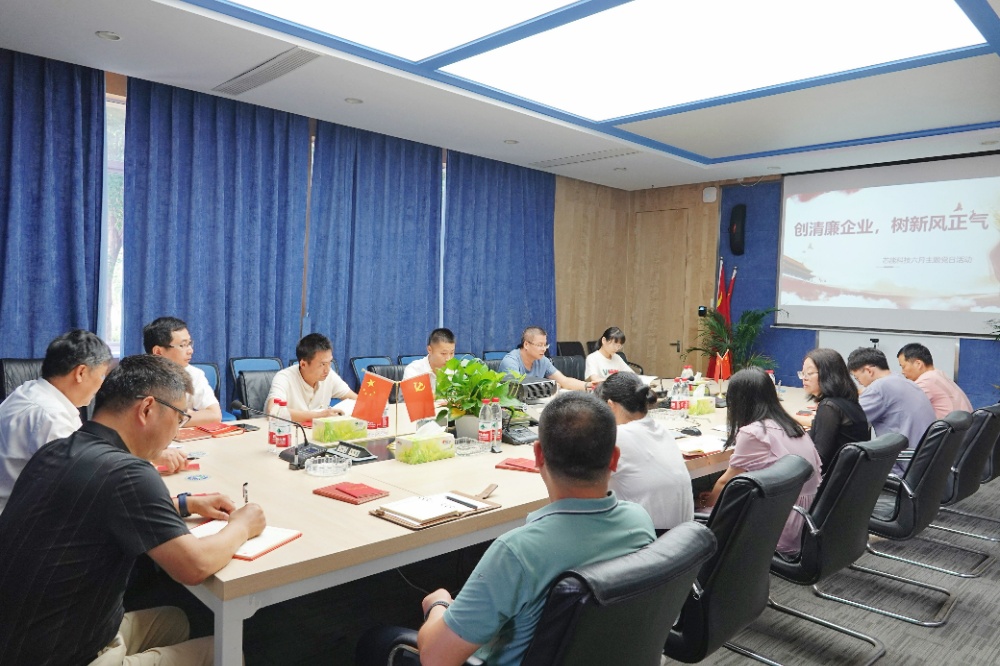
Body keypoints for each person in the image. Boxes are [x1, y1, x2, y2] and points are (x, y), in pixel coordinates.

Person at [0, 355, 266, 665]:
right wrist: (242, 525)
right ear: (147, 408)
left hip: (23, 635)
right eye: (179, 417)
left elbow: (101, 506)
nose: (176, 431)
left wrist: (185, 504)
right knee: (224, 652)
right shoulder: (129, 472)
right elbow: (194, 566)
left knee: (176, 619)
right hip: (66, 655)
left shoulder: (58, 449)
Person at [414, 392, 654, 665]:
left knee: (381, 639)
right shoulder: (639, 522)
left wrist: (439, 604)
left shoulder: (517, 552)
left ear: (538, 455)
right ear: (614, 458)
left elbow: (435, 658)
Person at [699, 367, 821, 556]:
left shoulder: (754, 433)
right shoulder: (793, 426)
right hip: (809, 519)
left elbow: (725, 482)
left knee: (696, 517)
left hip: (782, 524)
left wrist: (704, 506)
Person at [0, 330, 112, 514]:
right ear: (81, 373)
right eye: (101, 376)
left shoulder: (29, 390)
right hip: (17, 520)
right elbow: (78, 483)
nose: (102, 384)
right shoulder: (51, 416)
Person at [596, 372, 693, 533]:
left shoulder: (616, 436)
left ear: (611, 405)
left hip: (648, 541)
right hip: (683, 540)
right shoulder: (662, 429)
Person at [847, 347, 935, 474]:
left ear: (869, 371)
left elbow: (848, 417)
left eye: (857, 378)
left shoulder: (879, 388)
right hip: (925, 460)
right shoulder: (902, 381)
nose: (859, 383)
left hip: (904, 466)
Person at [796, 348, 871, 473]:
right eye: (803, 373)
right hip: (851, 477)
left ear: (828, 374)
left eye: (809, 373)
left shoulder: (829, 407)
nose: (804, 378)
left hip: (833, 480)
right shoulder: (847, 402)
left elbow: (820, 459)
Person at [143, 316, 222, 427]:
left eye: (189, 343)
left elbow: (214, 415)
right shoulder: (136, 376)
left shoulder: (194, 374)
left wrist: (178, 417)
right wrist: (187, 415)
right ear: (158, 352)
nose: (190, 350)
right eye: (183, 345)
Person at [266, 333, 357, 422]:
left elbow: (356, 399)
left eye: (329, 362)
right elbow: (273, 411)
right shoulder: (284, 378)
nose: (327, 370)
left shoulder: (329, 376)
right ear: (303, 364)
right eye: (322, 364)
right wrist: (320, 415)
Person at [498, 326, 593, 391]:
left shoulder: (542, 360)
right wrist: (550, 386)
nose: (544, 349)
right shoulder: (510, 361)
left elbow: (564, 381)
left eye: (545, 345)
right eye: (540, 345)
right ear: (526, 344)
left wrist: (588, 385)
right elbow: (517, 390)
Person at [897, 343, 973, 418]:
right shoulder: (938, 374)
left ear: (918, 364)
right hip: (965, 423)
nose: (902, 372)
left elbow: (902, 409)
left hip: (953, 425)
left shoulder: (926, 381)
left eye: (903, 367)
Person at [403, 328, 456, 394]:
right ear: (429, 350)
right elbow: (411, 398)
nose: (448, 358)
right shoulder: (414, 370)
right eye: (443, 353)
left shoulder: (455, 371)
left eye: (451, 353)